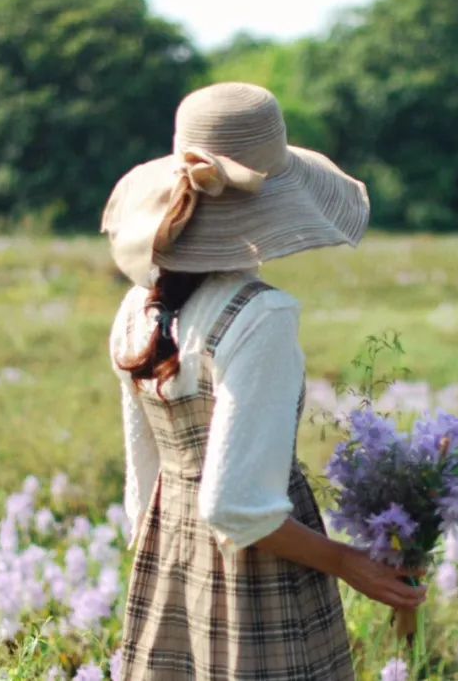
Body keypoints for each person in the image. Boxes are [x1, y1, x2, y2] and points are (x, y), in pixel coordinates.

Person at [101, 82, 427, 680]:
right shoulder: (262, 316)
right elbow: (237, 507)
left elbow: (142, 477)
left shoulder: (135, 308)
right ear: (273, 199)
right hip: (258, 572)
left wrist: (163, 554)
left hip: (170, 553)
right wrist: (348, 562)